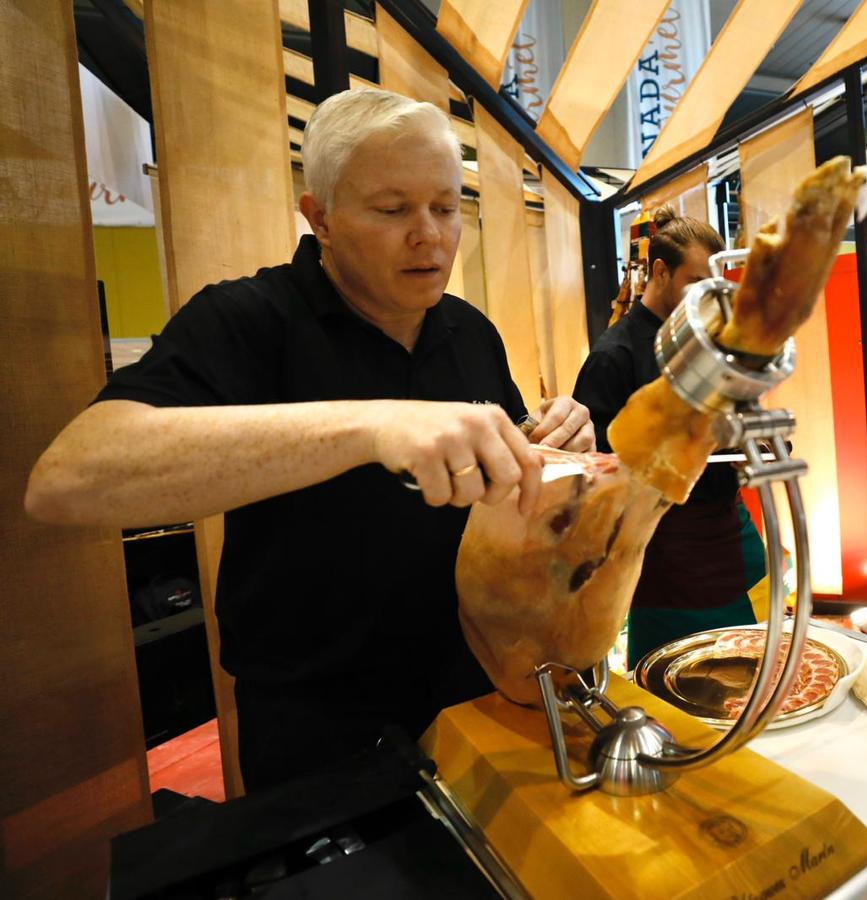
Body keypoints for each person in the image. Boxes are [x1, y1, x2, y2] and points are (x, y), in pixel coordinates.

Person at [24, 89, 595, 790]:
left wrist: (554, 445)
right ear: (319, 218)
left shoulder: (468, 329)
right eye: (393, 210)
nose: (430, 235)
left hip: (472, 684)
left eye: (446, 208)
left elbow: (505, 489)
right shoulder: (247, 320)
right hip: (320, 724)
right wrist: (370, 424)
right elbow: (68, 479)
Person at [572, 209, 767, 667]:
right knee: (680, 674)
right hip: (667, 548)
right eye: (696, 282)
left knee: (750, 661)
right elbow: (596, 461)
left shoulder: (710, 342)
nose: (708, 298)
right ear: (660, 271)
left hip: (727, 529)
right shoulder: (613, 355)